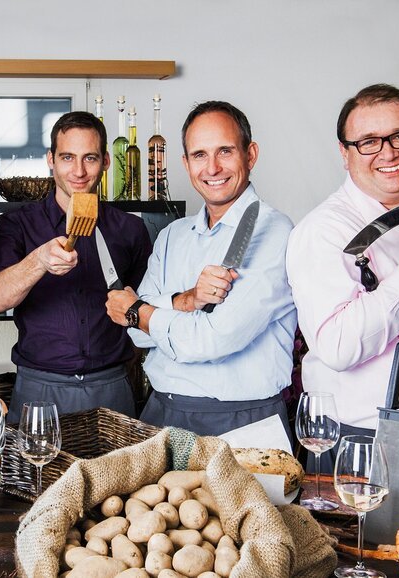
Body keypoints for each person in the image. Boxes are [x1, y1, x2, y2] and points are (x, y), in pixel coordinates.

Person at [286, 84, 399, 466]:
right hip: (361, 441)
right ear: (344, 153)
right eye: (368, 142)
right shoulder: (323, 231)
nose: (388, 152)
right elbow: (337, 347)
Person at [105, 101, 297, 448]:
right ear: (186, 163)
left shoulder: (274, 232)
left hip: (243, 423)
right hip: (161, 416)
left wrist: (138, 311)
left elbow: (214, 339)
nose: (212, 167)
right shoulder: (172, 236)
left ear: (250, 154)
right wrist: (187, 300)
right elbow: (141, 338)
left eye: (225, 151)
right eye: (199, 155)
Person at [0, 111, 151, 421]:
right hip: (39, 389)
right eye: (67, 157)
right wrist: (38, 260)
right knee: (38, 469)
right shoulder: (18, 225)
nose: (78, 171)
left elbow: (147, 309)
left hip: (113, 387)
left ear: (105, 162)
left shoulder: (130, 229)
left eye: (89, 158)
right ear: (51, 159)